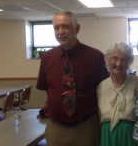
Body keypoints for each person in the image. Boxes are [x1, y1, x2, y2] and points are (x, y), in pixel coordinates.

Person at [36, 11, 109, 146]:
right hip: (56, 128)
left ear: (77, 29)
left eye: (65, 27)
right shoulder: (47, 58)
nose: (60, 32)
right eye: (56, 28)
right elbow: (48, 89)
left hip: (86, 127)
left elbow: (104, 90)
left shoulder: (95, 56)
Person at [97, 42, 138, 146]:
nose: (118, 63)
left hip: (130, 135)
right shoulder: (101, 86)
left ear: (129, 62)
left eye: (123, 59)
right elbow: (98, 116)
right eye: (115, 58)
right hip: (107, 135)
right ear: (108, 61)